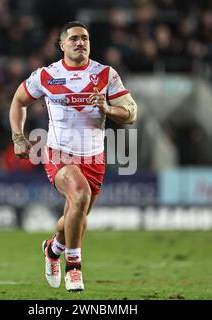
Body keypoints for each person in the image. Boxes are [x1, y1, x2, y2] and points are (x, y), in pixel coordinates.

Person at [8, 21, 137, 292]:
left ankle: (53, 249)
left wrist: (108, 108)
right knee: (79, 195)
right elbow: (18, 101)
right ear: (62, 45)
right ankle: (74, 268)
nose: (81, 42)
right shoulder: (46, 76)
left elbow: (131, 112)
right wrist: (18, 136)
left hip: (93, 159)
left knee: (75, 217)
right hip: (59, 153)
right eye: (75, 38)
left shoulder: (105, 74)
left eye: (85, 38)